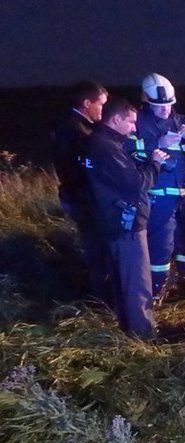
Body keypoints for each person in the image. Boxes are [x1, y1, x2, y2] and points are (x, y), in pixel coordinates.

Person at [83, 98, 168, 338]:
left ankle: (127, 330)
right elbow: (136, 184)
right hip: (125, 225)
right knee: (137, 283)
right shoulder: (106, 148)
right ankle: (144, 334)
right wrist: (155, 164)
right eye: (130, 122)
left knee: (122, 282)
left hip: (109, 222)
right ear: (116, 119)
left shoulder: (97, 143)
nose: (134, 128)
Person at [131, 73, 185, 299]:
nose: (165, 109)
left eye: (168, 105)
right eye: (159, 106)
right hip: (160, 197)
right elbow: (129, 151)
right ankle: (155, 293)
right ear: (146, 101)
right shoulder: (137, 122)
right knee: (161, 243)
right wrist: (156, 145)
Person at [51, 80, 110, 301]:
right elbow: (77, 169)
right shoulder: (73, 130)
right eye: (101, 105)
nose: (103, 111)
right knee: (96, 246)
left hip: (80, 197)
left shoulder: (76, 125)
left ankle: (101, 291)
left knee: (96, 245)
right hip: (82, 199)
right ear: (87, 103)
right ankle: (101, 297)